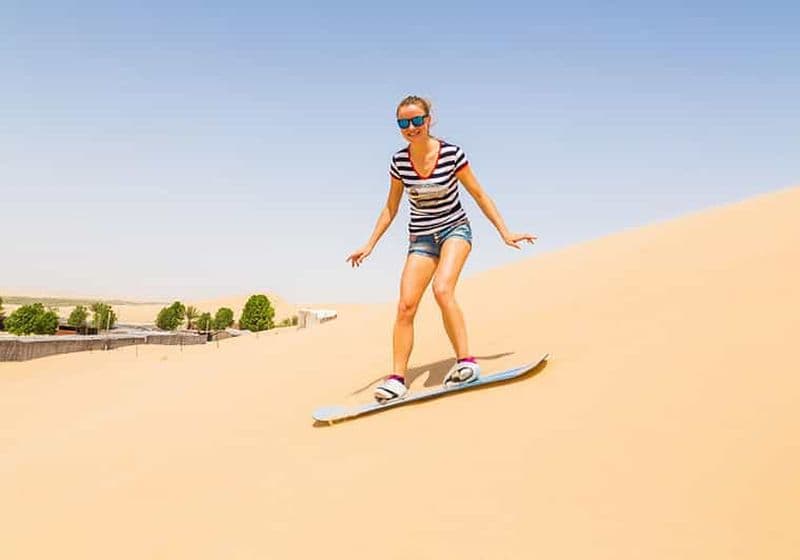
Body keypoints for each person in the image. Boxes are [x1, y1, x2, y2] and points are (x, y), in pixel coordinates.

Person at [346, 95, 537, 403]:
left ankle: (466, 362)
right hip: (421, 239)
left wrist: (505, 232)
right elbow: (390, 207)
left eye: (417, 120)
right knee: (406, 305)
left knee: (442, 289)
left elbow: (478, 194)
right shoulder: (399, 162)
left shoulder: (451, 154)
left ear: (429, 119)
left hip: (455, 230)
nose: (411, 127)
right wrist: (369, 245)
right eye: (404, 123)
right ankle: (396, 379)